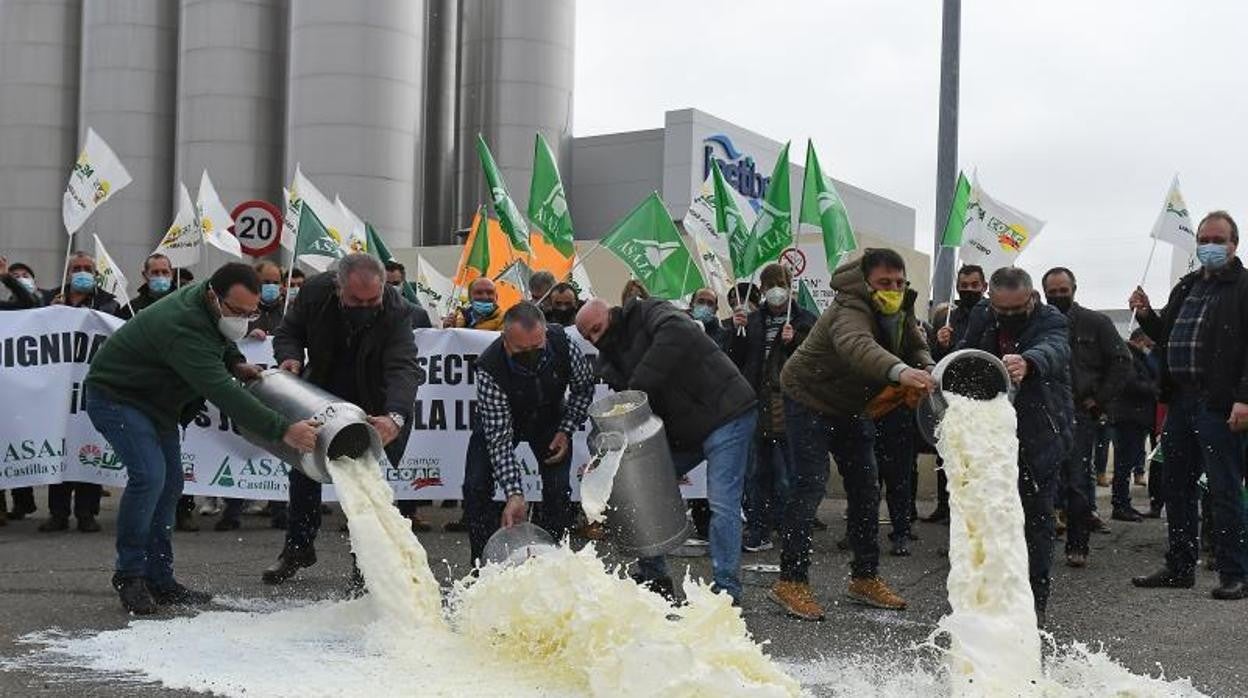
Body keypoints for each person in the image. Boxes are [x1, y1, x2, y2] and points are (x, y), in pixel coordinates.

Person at [83, 262, 319, 614]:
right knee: (149, 478)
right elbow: (224, 393)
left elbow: (221, 341)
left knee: (171, 484)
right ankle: (130, 576)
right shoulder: (182, 325)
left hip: (157, 404)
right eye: (237, 311)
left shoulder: (206, 305)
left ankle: (160, 579)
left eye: (250, 312)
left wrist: (237, 361)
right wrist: (284, 429)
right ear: (213, 295)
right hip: (118, 397)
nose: (243, 318)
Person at [771, 249, 935, 620]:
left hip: (851, 406)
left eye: (898, 282)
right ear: (865, 282)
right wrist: (899, 372)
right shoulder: (849, 307)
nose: (893, 289)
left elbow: (915, 343)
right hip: (808, 397)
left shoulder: (902, 306)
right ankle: (790, 581)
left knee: (865, 487)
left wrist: (927, 366)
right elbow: (856, 346)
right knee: (810, 485)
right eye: (884, 283)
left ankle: (864, 577)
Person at [575, 296, 756, 604]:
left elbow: (679, 332)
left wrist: (640, 385)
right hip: (686, 430)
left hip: (727, 411)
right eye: (588, 336)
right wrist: (603, 459)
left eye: (597, 328)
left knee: (722, 503)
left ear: (610, 314)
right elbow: (628, 417)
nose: (596, 338)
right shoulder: (609, 363)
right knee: (637, 486)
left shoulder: (648, 311)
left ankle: (727, 592)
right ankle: (654, 574)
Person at [263, 254, 419, 588]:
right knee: (303, 472)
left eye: (371, 300)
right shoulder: (314, 293)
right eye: (355, 300)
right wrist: (289, 359)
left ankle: (363, 567)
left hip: (370, 403)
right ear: (338, 287)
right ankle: (298, 548)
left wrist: (394, 417)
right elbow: (288, 332)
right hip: (318, 395)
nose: (364, 306)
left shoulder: (397, 309)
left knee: (364, 484)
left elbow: (403, 367)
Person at [1130, 210, 1248, 600]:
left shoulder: (1244, 287)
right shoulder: (1187, 286)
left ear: (1234, 244)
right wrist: (1146, 315)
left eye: (1218, 239)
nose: (1209, 246)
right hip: (1180, 401)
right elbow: (1166, 333)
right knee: (1176, 485)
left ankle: (1235, 571)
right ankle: (1180, 565)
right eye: (1203, 239)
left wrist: (1244, 398)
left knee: (1224, 487)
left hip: (1218, 404)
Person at [958, 266, 1074, 626]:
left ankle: (1034, 603)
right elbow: (967, 352)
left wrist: (1029, 361)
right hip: (992, 432)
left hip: (1041, 431)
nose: (1006, 317)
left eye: (1015, 310)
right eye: (1000, 310)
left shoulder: (1050, 317)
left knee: (1036, 518)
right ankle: (990, 596)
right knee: (990, 515)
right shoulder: (982, 314)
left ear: (1030, 298)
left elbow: (1056, 349)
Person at [464, 302, 594, 564]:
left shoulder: (563, 344)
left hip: (549, 419)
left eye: (537, 348)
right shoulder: (489, 369)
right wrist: (514, 494)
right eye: (521, 351)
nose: (531, 355)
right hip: (504, 420)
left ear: (545, 334)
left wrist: (566, 430)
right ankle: (482, 566)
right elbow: (500, 439)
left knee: (558, 491)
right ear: (505, 340)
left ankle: (551, 559)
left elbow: (583, 389)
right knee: (475, 485)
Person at [1042, 266, 1131, 568]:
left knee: (1077, 481)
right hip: (1044, 412)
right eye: (1051, 293)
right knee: (1041, 479)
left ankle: (1077, 543)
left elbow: (1121, 361)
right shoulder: (1038, 323)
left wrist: (1100, 401)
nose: (1057, 297)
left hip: (1080, 413)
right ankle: (1039, 541)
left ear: (1074, 289)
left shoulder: (1096, 323)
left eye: (1062, 291)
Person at [728, 263, 816, 554]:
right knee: (756, 473)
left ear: (790, 287)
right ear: (762, 290)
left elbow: (814, 361)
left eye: (781, 283)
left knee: (790, 473)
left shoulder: (805, 320)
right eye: (769, 286)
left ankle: (794, 529)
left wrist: (794, 343)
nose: (775, 291)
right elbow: (736, 359)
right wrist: (736, 330)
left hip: (790, 404)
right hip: (756, 403)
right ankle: (758, 530)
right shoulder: (753, 320)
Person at [211, 260, 292, 532]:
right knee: (239, 448)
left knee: (280, 452)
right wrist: (246, 333)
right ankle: (232, 510)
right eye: (264, 282)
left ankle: (280, 509)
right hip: (243, 393)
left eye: (275, 281)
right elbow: (227, 341)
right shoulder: (237, 312)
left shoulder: (288, 314)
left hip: (277, 394)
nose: (270, 287)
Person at [923, 264, 986, 523]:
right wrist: (939, 342)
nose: (969, 289)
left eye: (974, 285)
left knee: (974, 458)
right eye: (964, 285)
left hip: (980, 396)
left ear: (984, 287)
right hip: (951, 396)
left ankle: (969, 512)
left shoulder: (990, 313)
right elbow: (937, 360)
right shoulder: (947, 317)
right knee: (946, 453)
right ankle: (944, 506)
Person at [1108, 328, 1161, 522]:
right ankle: (1120, 504)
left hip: (1136, 416)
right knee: (1123, 464)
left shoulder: (1138, 356)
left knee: (1127, 462)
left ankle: (1123, 502)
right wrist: (1155, 388)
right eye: (1148, 344)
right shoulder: (1129, 356)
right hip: (1129, 416)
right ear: (1140, 340)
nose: (1150, 348)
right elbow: (1131, 384)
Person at [51, 251, 123, 315]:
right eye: (76, 269)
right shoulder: (51, 298)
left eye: (88, 269)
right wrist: (50, 311)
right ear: (67, 274)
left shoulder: (108, 304)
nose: (82, 272)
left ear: (96, 274)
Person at [117, 253, 175, 319]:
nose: (160, 276)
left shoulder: (181, 303)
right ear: (145, 275)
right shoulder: (132, 308)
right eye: (155, 272)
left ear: (172, 274)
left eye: (165, 272)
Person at [384, 260, 433, 328]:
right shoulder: (368, 312)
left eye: (395, 283)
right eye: (387, 283)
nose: (391, 287)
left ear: (403, 284)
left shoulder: (418, 314)